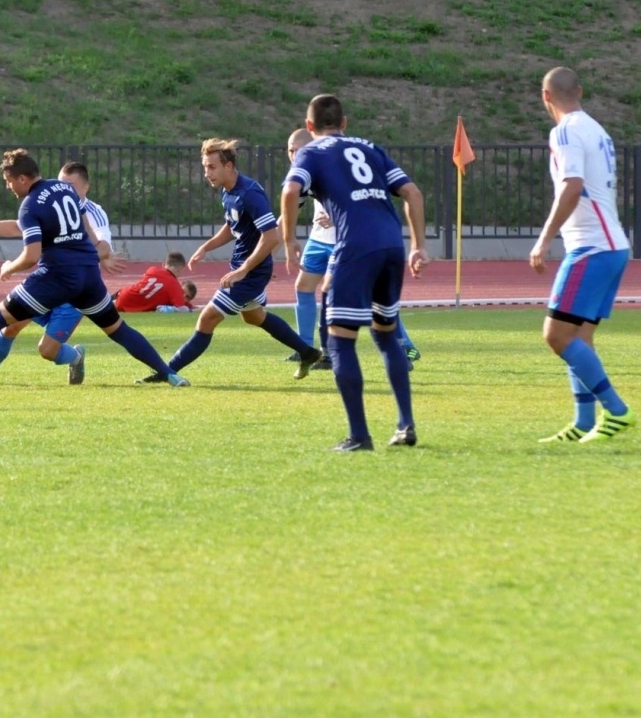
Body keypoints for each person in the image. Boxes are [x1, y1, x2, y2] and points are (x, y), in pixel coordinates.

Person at [0, 149, 187, 386]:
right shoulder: (65, 189)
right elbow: (84, 231)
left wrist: (10, 267)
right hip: (87, 274)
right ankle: (170, 374)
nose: (8, 186)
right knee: (118, 329)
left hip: (57, 276)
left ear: (23, 178)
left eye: (9, 181)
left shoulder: (30, 204)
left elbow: (32, 255)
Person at [282, 95, 429, 451]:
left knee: (340, 338)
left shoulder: (311, 152)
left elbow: (290, 190)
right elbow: (411, 192)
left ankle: (359, 436)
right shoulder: (371, 147)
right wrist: (419, 245)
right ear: (344, 123)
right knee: (385, 333)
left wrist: (288, 241)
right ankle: (405, 424)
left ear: (310, 126)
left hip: (355, 247)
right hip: (392, 245)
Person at [144, 139, 322, 382]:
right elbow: (232, 226)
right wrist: (207, 246)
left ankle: (166, 372)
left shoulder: (250, 194)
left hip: (251, 272)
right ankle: (308, 352)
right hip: (244, 268)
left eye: (212, 167)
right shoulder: (229, 192)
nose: (207, 173)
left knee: (207, 318)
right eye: (205, 167)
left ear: (228, 166)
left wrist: (244, 270)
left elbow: (271, 237)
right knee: (254, 316)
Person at [528, 67, 634, 443]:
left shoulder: (566, 131)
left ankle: (617, 411)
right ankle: (584, 422)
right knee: (578, 338)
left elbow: (572, 186)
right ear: (581, 92)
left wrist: (544, 239)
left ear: (545, 97)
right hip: (611, 245)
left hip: (592, 246)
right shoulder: (596, 129)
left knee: (555, 335)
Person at [0, 161, 120, 386]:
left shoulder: (94, 213)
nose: (61, 188)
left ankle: (75, 356)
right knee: (11, 324)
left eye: (70, 185)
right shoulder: (49, 202)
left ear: (86, 188)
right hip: (49, 284)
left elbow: (104, 247)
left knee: (46, 351)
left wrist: (93, 257)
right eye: (60, 182)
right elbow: (19, 226)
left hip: (74, 291)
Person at [284, 127, 421, 371]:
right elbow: (291, 205)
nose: (294, 155)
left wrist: (336, 218)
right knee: (304, 286)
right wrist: (278, 237)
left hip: (348, 240)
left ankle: (405, 346)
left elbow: (361, 200)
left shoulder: (329, 162)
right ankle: (305, 346)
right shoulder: (303, 170)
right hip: (318, 240)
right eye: (290, 151)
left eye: (298, 150)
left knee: (367, 296)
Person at [115, 252, 197, 313]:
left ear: (164, 264)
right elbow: (181, 308)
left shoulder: (152, 270)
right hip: (130, 304)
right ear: (180, 268)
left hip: (123, 294)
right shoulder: (174, 284)